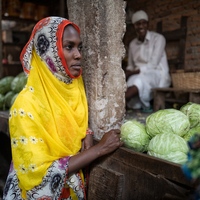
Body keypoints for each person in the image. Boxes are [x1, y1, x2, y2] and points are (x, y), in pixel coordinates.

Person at [3, 17, 123, 200]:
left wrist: (87, 131)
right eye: (69, 47)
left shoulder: (73, 88)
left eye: (79, 47)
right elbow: (36, 173)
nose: (78, 54)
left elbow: (72, 122)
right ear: (47, 52)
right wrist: (100, 149)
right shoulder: (25, 105)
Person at [125, 10, 171, 112]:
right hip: (137, 74)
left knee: (138, 81)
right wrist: (126, 73)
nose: (141, 26)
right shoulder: (132, 44)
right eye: (138, 24)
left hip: (157, 73)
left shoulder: (158, 39)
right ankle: (129, 106)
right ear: (134, 26)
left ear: (147, 24)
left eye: (143, 23)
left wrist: (132, 72)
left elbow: (153, 64)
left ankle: (118, 104)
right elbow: (131, 66)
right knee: (129, 83)